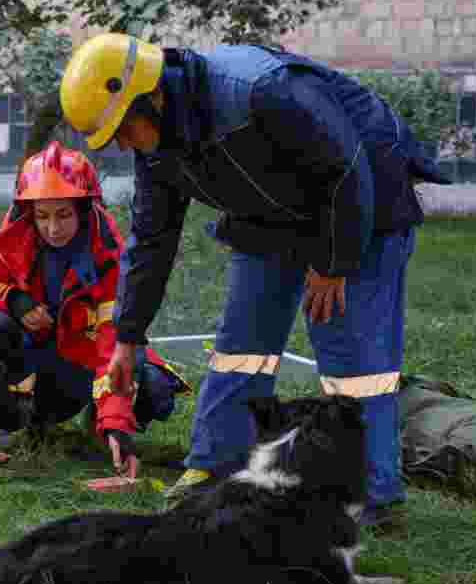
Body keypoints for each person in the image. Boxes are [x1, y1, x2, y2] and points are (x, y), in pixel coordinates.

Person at [58, 34, 451, 525]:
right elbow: (151, 238)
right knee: (242, 343)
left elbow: (345, 167)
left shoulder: (259, 91)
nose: (120, 144)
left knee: (353, 361)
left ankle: (370, 497)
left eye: (121, 129)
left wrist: (332, 264)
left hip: (360, 202)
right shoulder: (157, 148)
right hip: (271, 213)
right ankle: (216, 466)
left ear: (151, 96)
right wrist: (128, 336)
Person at [0, 141, 190, 478]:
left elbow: (113, 341)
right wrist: (12, 301)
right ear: (28, 212)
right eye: (42, 216)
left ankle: (100, 427)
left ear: (83, 209)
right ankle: (16, 421)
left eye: (63, 215)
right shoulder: (10, 239)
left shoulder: (107, 253)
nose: (52, 228)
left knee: (152, 384)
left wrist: (117, 423)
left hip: (76, 368)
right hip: (30, 361)